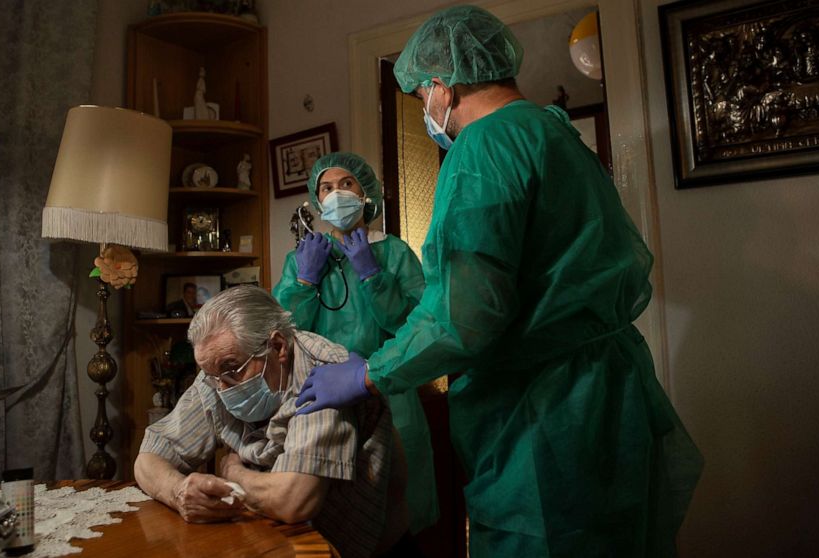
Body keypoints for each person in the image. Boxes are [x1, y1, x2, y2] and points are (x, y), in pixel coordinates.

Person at [295, 5, 703, 557]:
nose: (427, 111)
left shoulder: (482, 149)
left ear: (442, 86)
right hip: (607, 394)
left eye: (421, 97)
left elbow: (465, 315)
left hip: (542, 417)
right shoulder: (551, 131)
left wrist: (370, 373)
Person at [134, 285, 418, 558]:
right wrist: (178, 491)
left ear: (278, 346)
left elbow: (294, 500)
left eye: (232, 370)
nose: (222, 388)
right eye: (212, 376)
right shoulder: (217, 370)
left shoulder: (325, 373)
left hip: (366, 547)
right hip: (280, 544)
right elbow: (150, 456)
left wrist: (232, 472)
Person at [273, 152, 439, 534]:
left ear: (366, 193)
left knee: (396, 516)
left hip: (389, 393)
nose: (336, 194)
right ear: (316, 203)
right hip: (323, 398)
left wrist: (372, 274)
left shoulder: (394, 253)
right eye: (326, 188)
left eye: (346, 184)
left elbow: (414, 327)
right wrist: (305, 282)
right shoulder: (303, 258)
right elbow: (284, 336)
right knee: (331, 514)